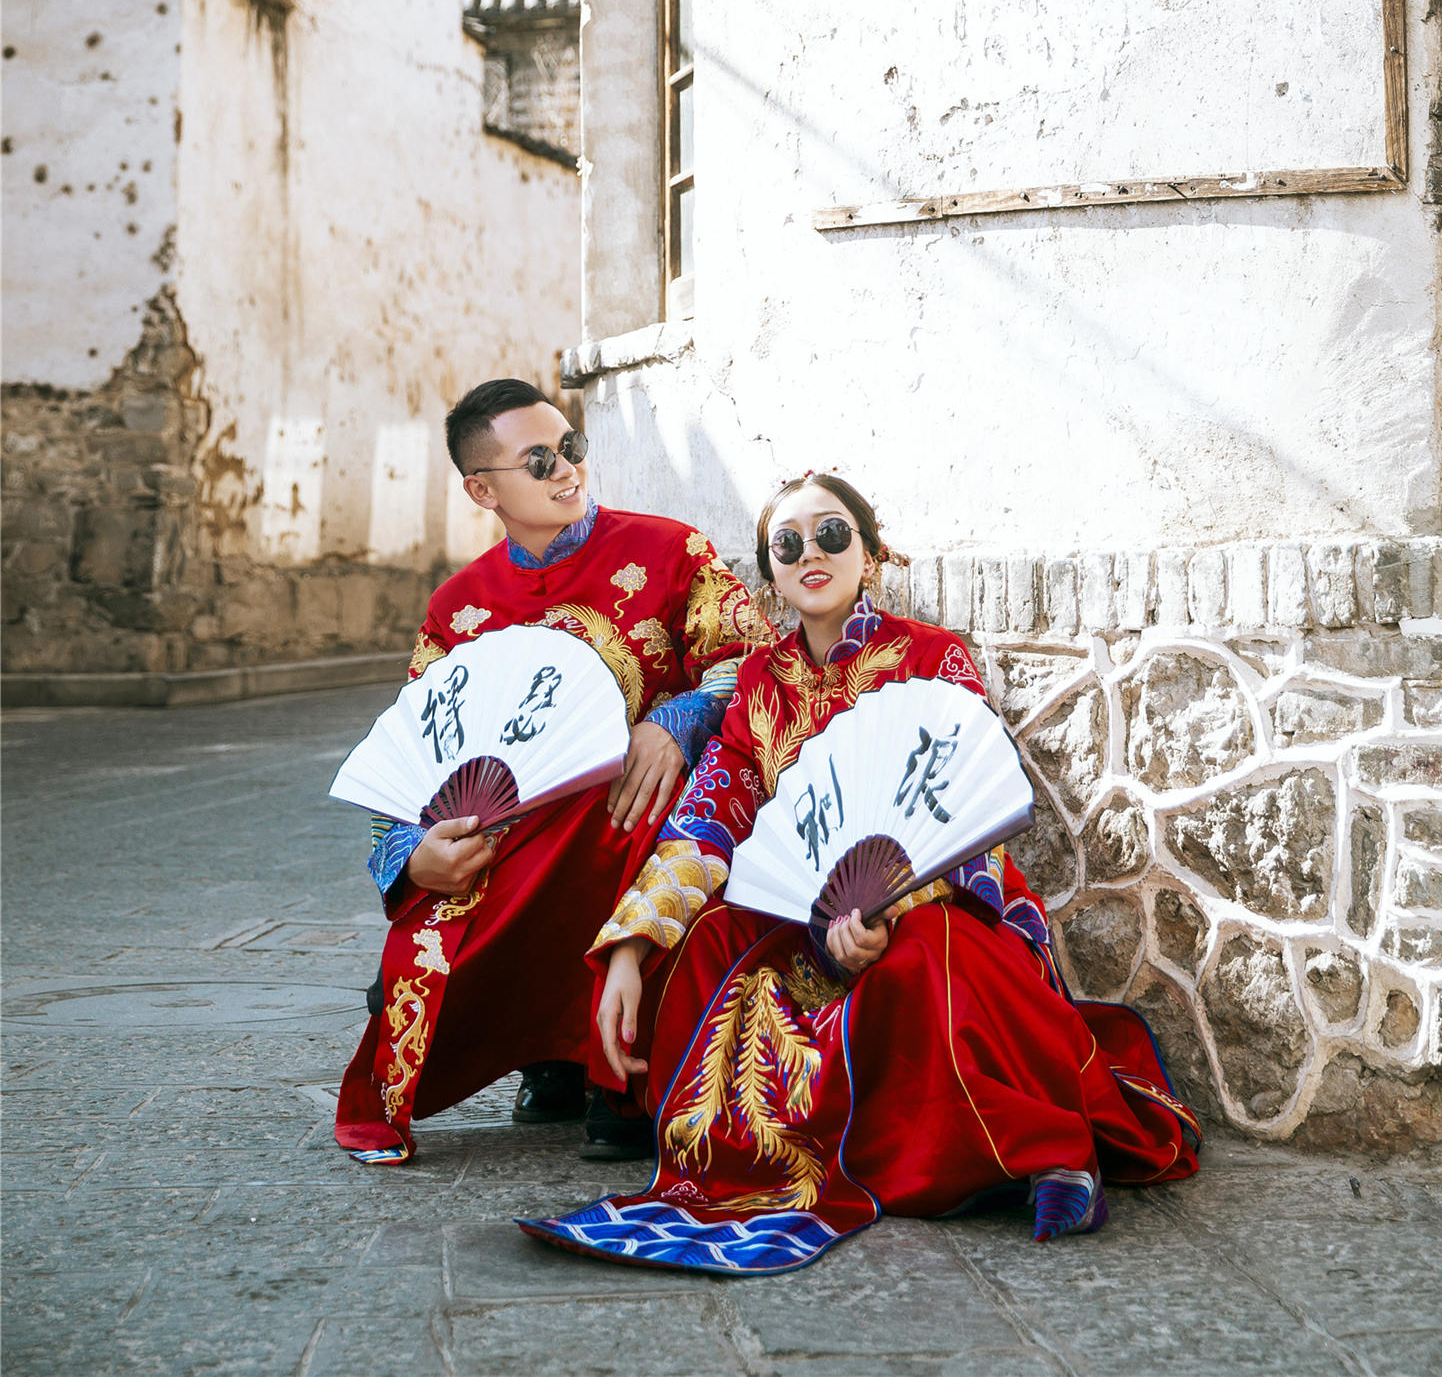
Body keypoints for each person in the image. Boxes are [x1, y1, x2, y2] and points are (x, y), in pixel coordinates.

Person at [519, 472, 1199, 1274]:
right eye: (787, 544)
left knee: (926, 958)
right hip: (802, 923)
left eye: (832, 534)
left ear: (869, 555)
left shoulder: (932, 658)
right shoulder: (760, 685)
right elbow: (708, 818)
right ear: (772, 577)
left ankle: (1048, 1154)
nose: (811, 553)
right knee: (704, 941)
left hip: (934, 904)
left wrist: (881, 910)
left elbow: (960, 812)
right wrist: (632, 948)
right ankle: (788, 1162)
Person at [334, 378, 769, 1166]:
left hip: (639, 810)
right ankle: (550, 1055)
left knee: (640, 811)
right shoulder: (458, 609)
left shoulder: (671, 551)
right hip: (521, 841)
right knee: (453, 885)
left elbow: (753, 660)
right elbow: (411, 756)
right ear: (483, 490)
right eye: (539, 460)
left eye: (570, 447)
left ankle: (621, 1072)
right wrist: (409, 854)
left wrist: (675, 722)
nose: (567, 469)